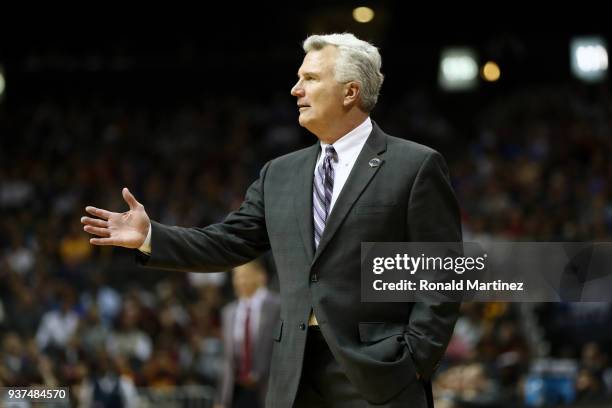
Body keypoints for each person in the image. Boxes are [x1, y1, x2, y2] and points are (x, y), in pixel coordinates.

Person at [82, 33, 462, 407]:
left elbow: (444, 270)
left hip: (380, 370)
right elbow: (227, 242)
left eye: (310, 79)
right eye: (299, 78)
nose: (296, 90)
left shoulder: (414, 165)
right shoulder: (279, 174)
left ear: (351, 91)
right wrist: (152, 236)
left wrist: (415, 359)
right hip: (291, 374)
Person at [214, 259, 280, 408]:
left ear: (260, 276)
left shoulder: (277, 306)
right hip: (237, 392)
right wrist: (221, 400)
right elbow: (227, 360)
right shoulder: (228, 312)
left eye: (244, 275)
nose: (239, 281)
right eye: (236, 276)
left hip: (269, 389)